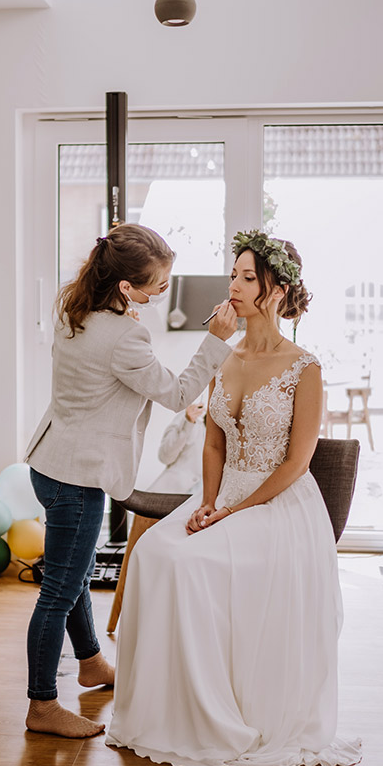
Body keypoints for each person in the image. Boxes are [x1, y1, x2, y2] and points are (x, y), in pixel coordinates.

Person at [106, 230, 363, 766]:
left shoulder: (304, 367)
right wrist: (207, 502)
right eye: (234, 275)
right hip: (222, 495)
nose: (236, 286)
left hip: (279, 503)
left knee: (192, 561)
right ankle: (166, 713)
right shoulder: (226, 355)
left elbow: (296, 463)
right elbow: (215, 440)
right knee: (156, 552)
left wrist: (233, 512)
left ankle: (218, 713)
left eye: (249, 278)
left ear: (277, 289)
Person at [23, 223, 239, 738]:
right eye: (158, 286)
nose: (161, 294)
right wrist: (215, 341)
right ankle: (41, 705)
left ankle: (92, 662)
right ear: (127, 288)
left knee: (70, 578)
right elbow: (176, 392)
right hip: (78, 479)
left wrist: (125, 319)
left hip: (48, 464)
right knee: (58, 591)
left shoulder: (75, 311)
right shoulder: (125, 336)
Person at [147, 399, 206, 494]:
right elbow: (165, 457)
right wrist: (188, 423)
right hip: (169, 495)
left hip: (208, 502)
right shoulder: (190, 418)